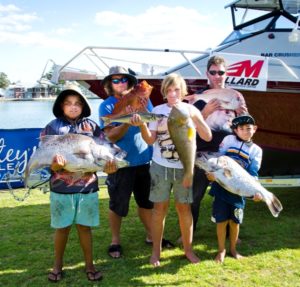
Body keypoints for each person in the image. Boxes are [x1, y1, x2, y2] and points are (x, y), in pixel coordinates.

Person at [135, 73, 212, 266]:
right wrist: (143, 125)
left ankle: (188, 250)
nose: (172, 93)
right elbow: (150, 140)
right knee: (159, 210)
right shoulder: (158, 111)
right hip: (160, 167)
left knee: (184, 209)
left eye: (176, 89)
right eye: (168, 90)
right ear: (163, 92)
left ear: (183, 90)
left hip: (184, 168)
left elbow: (208, 136)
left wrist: (196, 118)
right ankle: (156, 252)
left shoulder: (191, 109)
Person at [44, 84, 116, 282]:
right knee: (62, 229)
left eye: (77, 103)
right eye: (68, 103)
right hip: (60, 190)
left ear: (83, 106)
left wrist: (109, 166)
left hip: (87, 188)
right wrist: (54, 167)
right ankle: (57, 265)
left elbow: (103, 156)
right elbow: (46, 160)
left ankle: (90, 265)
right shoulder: (52, 127)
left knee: (85, 228)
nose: (73, 107)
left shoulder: (92, 127)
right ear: (61, 106)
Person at [99, 66, 156, 259]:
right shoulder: (106, 106)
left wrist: (142, 119)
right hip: (120, 163)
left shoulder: (143, 100)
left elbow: (151, 126)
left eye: (124, 79)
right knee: (118, 204)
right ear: (109, 84)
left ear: (130, 82)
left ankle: (152, 235)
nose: (120, 83)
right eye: (115, 80)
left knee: (147, 203)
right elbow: (111, 137)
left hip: (144, 161)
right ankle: (115, 240)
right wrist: (126, 122)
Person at [188, 55, 248, 233]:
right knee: (195, 196)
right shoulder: (200, 97)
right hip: (201, 153)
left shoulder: (235, 95)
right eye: (213, 72)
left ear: (226, 73)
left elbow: (245, 126)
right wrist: (205, 113)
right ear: (207, 73)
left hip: (226, 154)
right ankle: (189, 234)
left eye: (220, 72)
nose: (217, 76)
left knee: (229, 193)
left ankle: (231, 235)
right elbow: (188, 128)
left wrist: (240, 112)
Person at [208, 114, 262, 263]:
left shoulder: (257, 151)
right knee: (221, 221)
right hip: (221, 187)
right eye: (241, 129)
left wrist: (255, 192)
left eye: (248, 128)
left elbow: (253, 173)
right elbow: (218, 159)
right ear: (235, 131)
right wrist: (213, 175)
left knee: (235, 221)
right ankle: (221, 250)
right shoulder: (228, 140)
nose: (245, 131)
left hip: (239, 191)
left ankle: (233, 249)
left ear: (255, 129)